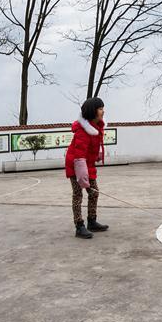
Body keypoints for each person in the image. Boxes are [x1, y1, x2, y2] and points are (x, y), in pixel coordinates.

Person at [64, 97, 109, 239]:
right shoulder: (82, 131)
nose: (103, 111)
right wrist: (82, 175)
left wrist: (98, 154)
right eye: (100, 108)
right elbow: (79, 154)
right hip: (76, 164)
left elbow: (93, 146)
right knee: (78, 194)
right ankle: (79, 226)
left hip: (87, 164)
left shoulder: (97, 127)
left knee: (94, 192)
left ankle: (92, 221)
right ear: (92, 111)